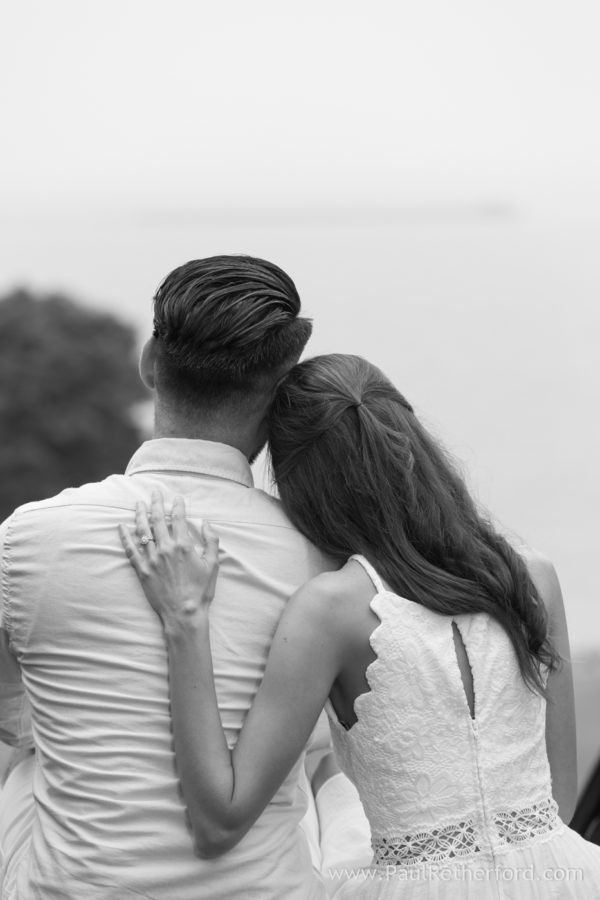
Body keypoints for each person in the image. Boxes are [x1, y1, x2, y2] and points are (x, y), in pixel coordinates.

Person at [121, 353, 600, 898]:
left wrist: (185, 619)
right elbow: (555, 804)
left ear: (301, 483)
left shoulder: (330, 609)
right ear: (413, 440)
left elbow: (219, 822)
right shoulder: (533, 577)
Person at [0, 257, 369, 900]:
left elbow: (10, 718)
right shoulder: (324, 562)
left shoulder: (26, 540)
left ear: (149, 363)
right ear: (283, 390)